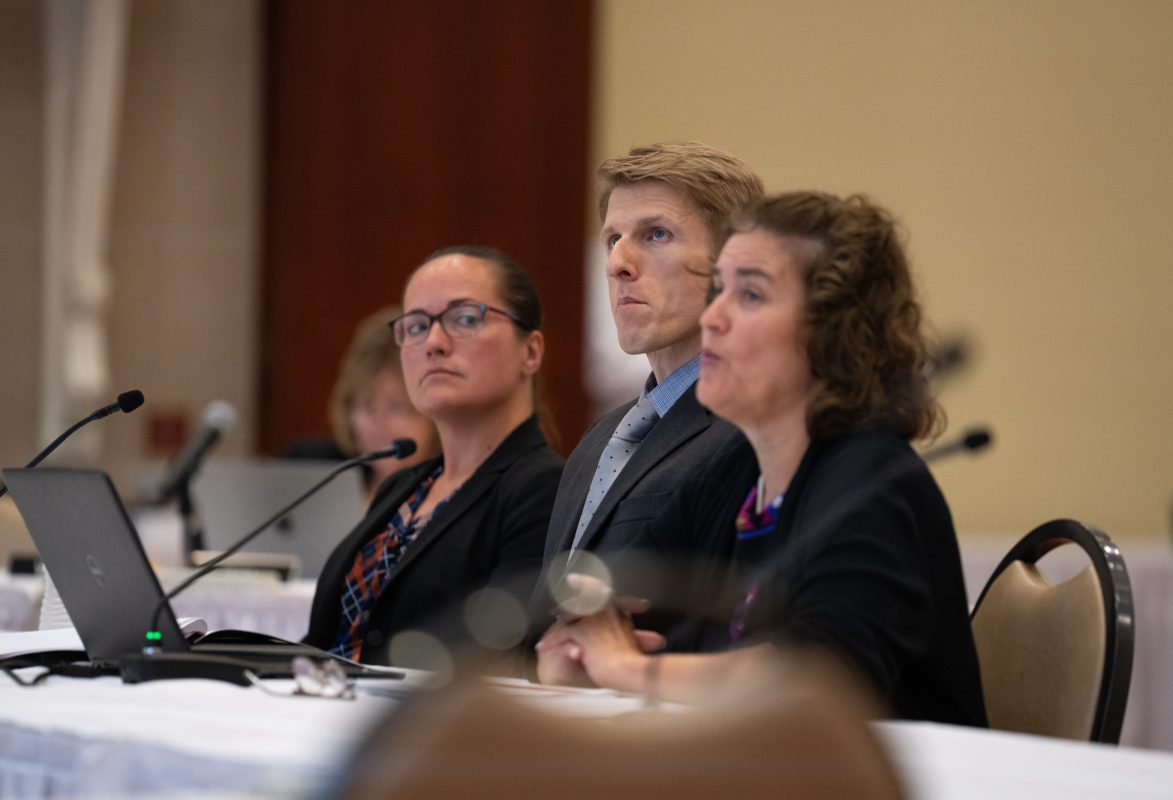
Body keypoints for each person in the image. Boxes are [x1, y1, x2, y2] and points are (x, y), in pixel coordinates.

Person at [537, 191, 988, 727]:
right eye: (719, 288)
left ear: (832, 333)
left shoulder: (868, 480)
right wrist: (584, 657)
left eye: (749, 295)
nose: (714, 316)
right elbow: (716, 662)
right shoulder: (748, 485)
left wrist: (625, 667)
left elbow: (818, 682)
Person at [531, 142, 764, 649]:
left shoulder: (756, 433)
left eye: (655, 234)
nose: (617, 263)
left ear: (734, 263)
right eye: (612, 238)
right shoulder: (597, 441)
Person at [304, 245, 564, 668]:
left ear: (530, 352)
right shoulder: (402, 487)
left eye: (465, 319)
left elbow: (501, 660)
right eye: (417, 325)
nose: (434, 343)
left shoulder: (544, 490)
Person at [329, 306, 440, 498]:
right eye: (367, 406)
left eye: (397, 406)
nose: (379, 421)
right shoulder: (327, 478)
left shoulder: (450, 500)